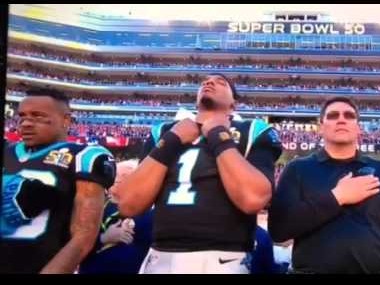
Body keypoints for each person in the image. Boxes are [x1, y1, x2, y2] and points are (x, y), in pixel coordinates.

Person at [112, 73, 282, 274]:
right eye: (205, 82)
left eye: (221, 83)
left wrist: (219, 136)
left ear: (233, 105)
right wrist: (172, 140)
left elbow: (254, 199)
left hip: (223, 256)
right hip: (160, 253)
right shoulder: (165, 131)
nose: (209, 82)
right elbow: (128, 203)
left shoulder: (252, 130)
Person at [268, 96, 380, 274]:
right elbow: (279, 230)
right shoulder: (297, 169)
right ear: (321, 128)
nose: (341, 119)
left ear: (358, 128)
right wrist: (337, 198)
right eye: (333, 115)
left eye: (349, 115)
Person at [1, 88, 116, 274]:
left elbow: (83, 235)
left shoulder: (83, 157)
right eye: (22, 116)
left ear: (66, 120)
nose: (26, 123)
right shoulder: (7, 151)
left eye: (38, 116)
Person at [78, 159, 153, 274]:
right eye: (116, 174)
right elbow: (75, 242)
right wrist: (104, 238)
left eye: (125, 175)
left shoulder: (145, 212)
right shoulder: (92, 206)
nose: (118, 179)